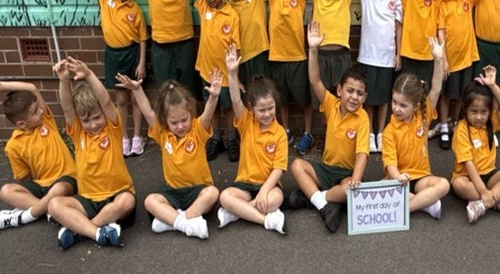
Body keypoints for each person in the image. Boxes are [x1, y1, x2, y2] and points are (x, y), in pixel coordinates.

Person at [115, 74, 222, 239]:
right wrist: (137, 90)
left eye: (184, 120)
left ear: (191, 113)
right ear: (165, 120)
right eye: (174, 122)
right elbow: (148, 112)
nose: (180, 126)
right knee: (150, 201)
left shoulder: (197, 130)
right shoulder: (162, 133)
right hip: (173, 192)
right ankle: (186, 224)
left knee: (213, 193)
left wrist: (214, 96)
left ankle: (171, 221)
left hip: (198, 191)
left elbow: (208, 114)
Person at [288, 21, 370, 233]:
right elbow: (315, 80)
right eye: (350, 90)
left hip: (345, 174)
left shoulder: (362, 118)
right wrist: (313, 49)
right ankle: (326, 207)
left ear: (365, 98)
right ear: (339, 90)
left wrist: (356, 181)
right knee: (297, 166)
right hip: (325, 170)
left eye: (359, 93)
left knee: (346, 191)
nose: (354, 97)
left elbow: (362, 153)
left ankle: (314, 199)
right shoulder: (331, 103)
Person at [48, 57, 136, 249]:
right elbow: (67, 107)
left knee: (127, 201)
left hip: (116, 195)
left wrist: (88, 74)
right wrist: (64, 80)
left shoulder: (112, 128)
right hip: (87, 198)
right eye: (87, 121)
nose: (94, 124)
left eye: (97, 118)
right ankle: (98, 233)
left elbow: (105, 100)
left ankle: (80, 230)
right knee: (54, 205)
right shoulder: (78, 132)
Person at [84, 0, 148, 156]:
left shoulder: (135, 8)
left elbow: (142, 37)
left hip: (131, 55)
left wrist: (142, 62)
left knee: (135, 98)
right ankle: (123, 138)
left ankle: (137, 137)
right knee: (120, 100)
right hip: (113, 55)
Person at [0, 77, 76, 230]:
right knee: (6, 191)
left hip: (66, 180)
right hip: (41, 186)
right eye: (35, 112)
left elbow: (32, 88)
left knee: (59, 189)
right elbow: (25, 178)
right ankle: (51, 211)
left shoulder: (46, 121)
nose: (41, 111)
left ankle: (24, 217)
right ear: (22, 124)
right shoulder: (13, 146)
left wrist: (0, 85)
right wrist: (30, 191)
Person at [300, 0, 356, 155]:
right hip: (320, 55)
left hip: (341, 56)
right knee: (320, 100)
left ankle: (338, 137)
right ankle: (317, 135)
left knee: (341, 99)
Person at [217, 44, 288, 234]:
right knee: (225, 196)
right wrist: (232, 73)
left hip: (269, 185)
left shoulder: (280, 132)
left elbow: (279, 168)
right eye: (262, 110)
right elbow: (235, 100)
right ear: (252, 109)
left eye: (270, 108)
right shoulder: (246, 121)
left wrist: (265, 190)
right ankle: (265, 220)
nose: (267, 114)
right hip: (245, 185)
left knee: (275, 199)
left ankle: (238, 212)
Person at [381, 36, 450, 222]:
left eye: (403, 105)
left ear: (416, 107)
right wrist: (398, 177)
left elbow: (435, 89)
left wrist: (438, 59)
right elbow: (390, 165)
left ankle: (406, 207)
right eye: (394, 102)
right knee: (380, 186)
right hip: (397, 181)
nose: (396, 108)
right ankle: (427, 204)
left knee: (444, 185)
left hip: (420, 179)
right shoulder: (389, 131)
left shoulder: (423, 116)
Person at [226, 0, 273, 162]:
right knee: (243, 99)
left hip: (261, 53)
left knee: (262, 95)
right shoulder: (231, 5)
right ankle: (243, 136)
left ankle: (265, 134)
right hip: (243, 58)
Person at [263, 0, 314, 147]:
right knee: (281, 100)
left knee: (303, 99)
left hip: (298, 58)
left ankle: (308, 133)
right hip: (277, 58)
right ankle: (285, 131)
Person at [450, 66, 500, 223]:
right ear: (465, 109)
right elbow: (468, 163)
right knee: (459, 185)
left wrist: (493, 86)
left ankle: (482, 205)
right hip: (467, 176)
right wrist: (483, 191)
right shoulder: (462, 129)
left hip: (489, 174)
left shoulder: (490, 123)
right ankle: (497, 198)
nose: (479, 117)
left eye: (483, 112)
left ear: (489, 112)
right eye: (474, 112)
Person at [356, 0, 402, 153]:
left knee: (382, 98)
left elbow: (398, 28)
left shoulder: (394, 0)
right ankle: (369, 134)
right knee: (367, 97)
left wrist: (399, 54)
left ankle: (380, 133)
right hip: (366, 57)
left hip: (386, 57)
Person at [436, 0, 485, 150]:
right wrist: (443, 59)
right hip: (450, 59)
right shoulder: (443, 1)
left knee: (461, 94)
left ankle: (455, 124)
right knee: (446, 95)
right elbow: (441, 32)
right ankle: (444, 124)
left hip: (467, 57)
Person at [195, 0, 241, 162]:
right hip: (206, 71)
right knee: (211, 107)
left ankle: (232, 138)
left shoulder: (231, 14)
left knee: (230, 107)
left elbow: (236, 47)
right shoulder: (203, 7)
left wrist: (235, 76)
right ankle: (215, 138)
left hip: (225, 73)